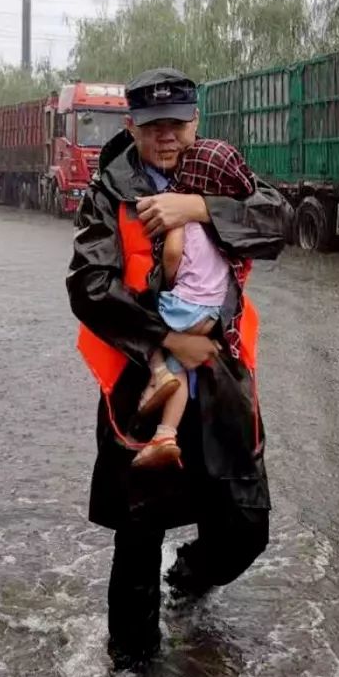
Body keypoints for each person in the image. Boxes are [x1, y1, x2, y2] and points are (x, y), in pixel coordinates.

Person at [66, 67, 293, 671]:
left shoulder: (220, 169)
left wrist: (197, 207)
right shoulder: (109, 190)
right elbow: (88, 286)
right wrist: (166, 339)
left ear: (195, 122)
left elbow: (279, 221)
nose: (166, 137)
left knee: (246, 525)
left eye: (176, 124)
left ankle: (188, 582)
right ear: (134, 129)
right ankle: (133, 661)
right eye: (152, 127)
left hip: (221, 376)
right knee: (139, 532)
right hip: (145, 379)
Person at [133, 138, 259, 470]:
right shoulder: (227, 218)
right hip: (216, 312)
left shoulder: (179, 209)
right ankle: (166, 432)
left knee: (139, 314)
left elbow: (173, 252)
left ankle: (156, 373)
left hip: (185, 306)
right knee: (183, 364)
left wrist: (170, 281)